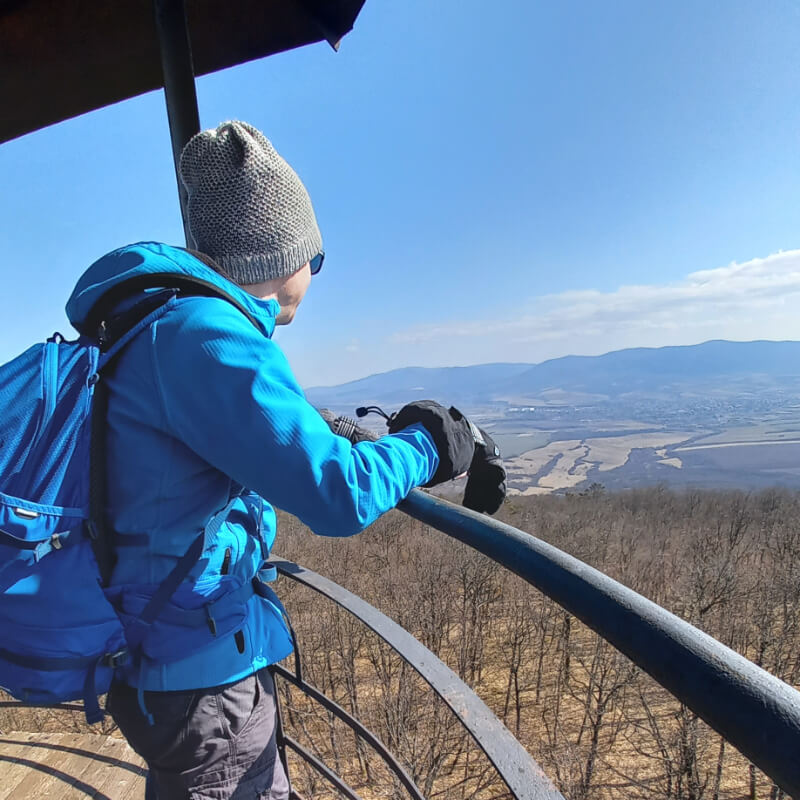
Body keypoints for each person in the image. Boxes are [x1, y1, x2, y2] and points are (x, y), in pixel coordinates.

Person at [64, 120, 478, 799]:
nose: (314, 273)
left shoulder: (151, 325)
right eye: (316, 258)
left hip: (156, 659)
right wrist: (433, 443)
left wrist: (323, 430)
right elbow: (337, 495)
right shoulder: (207, 336)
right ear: (282, 258)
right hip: (198, 679)